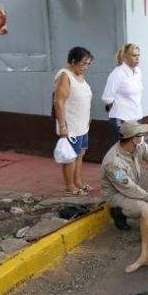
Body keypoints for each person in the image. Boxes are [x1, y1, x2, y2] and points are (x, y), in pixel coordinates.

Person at [53, 46, 93, 196]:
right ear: (73, 62)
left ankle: (78, 181)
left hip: (82, 125)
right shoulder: (65, 75)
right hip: (70, 126)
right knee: (70, 157)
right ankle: (69, 185)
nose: (86, 67)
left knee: (80, 154)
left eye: (88, 64)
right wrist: (63, 126)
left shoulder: (80, 75)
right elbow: (59, 102)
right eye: (84, 64)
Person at [101, 43, 143, 143]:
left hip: (137, 117)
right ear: (125, 57)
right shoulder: (117, 74)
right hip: (122, 119)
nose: (137, 58)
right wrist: (117, 111)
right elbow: (107, 97)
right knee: (125, 150)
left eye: (138, 55)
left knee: (137, 147)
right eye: (134, 55)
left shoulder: (137, 72)